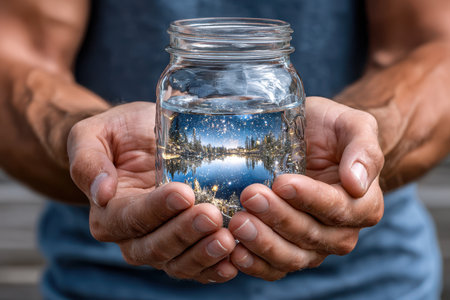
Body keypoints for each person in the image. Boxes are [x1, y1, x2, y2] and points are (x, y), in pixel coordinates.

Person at [0, 0, 448, 299]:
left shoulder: (278, 81)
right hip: (105, 281)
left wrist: (369, 139)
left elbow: (435, 46)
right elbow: (17, 51)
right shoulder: (178, 79)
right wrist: (79, 137)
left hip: (370, 285)